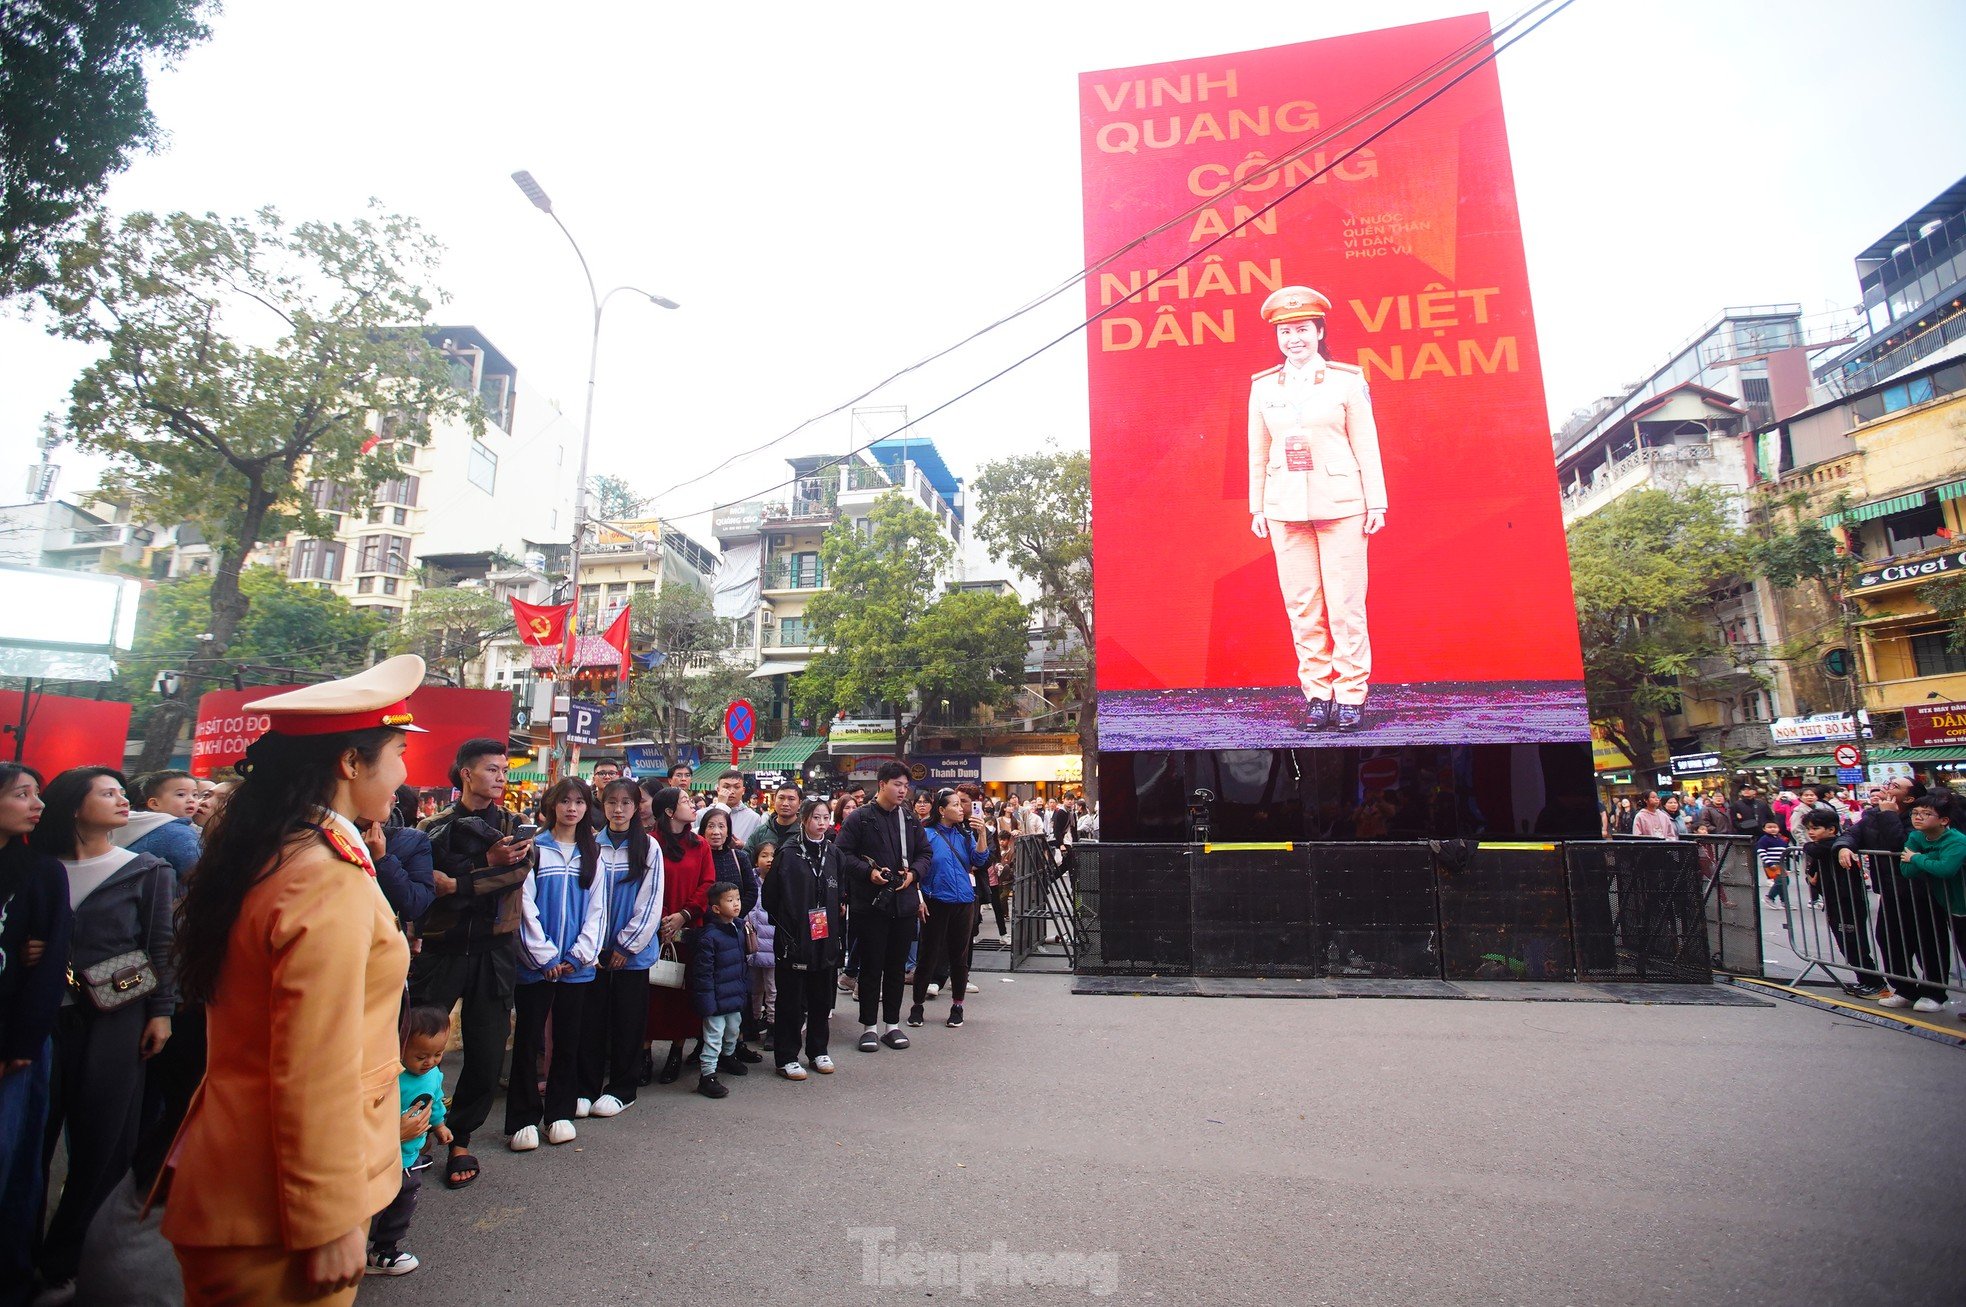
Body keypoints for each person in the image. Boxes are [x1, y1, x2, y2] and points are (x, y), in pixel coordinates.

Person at [161, 655, 425, 1305]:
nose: (404, 771)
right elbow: (312, 1060)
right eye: (395, 750)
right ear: (349, 762)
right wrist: (328, 1214)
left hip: (252, 1182)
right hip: (275, 1205)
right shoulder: (320, 871)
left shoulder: (282, 847)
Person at [35, 767, 175, 1299]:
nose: (123, 800)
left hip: (118, 1019)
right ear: (73, 805)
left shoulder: (146, 869)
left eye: (123, 792)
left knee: (103, 1145)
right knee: (33, 1142)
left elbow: (160, 947)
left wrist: (161, 1013)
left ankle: (70, 1256)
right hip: (39, 1022)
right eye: (107, 792)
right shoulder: (35, 868)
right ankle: (20, 1252)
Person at [1246, 284, 1386, 733]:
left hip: (1342, 504)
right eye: (1285, 331)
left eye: (1302, 329)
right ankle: (1317, 693)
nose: (1294, 339)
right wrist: (1257, 507)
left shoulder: (1348, 379)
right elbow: (1257, 450)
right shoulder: (1264, 387)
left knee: (1345, 604)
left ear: (1319, 330)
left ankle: (1351, 693)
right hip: (1285, 505)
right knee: (1302, 604)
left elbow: (1367, 445)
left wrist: (1376, 501)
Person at [412, 739, 532, 1190]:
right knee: (419, 1046)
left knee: (484, 1053)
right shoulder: (431, 826)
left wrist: (457, 883)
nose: (501, 777)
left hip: (495, 952)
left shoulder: (515, 825)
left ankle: (460, 1138)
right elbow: (425, 875)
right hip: (441, 950)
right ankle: (413, 1130)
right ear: (465, 772)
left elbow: (514, 873)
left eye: (504, 769)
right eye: (491, 769)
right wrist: (483, 862)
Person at [0, 764, 70, 1306]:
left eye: (38, 794)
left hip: (16, 1045)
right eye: (22, 794)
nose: (36, 803)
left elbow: (51, 964)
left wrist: (22, 1045)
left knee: (15, 1163)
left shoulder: (41, 871)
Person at [507, 778, 605, 1150]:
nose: (572, 808)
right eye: (564, 801)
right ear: (551, 805)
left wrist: (579, 954)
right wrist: (544, 956)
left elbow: (598, 910)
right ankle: (522, 1117)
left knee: (569, 1039)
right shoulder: (535, 850)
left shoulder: (591, 853)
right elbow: (524, 906)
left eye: (579, 802)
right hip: (536, 964)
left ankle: (559, 1112)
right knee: (529, 1039)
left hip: (576, 965)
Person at [580, 779, 663, 1119]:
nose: (618, 809)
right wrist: (593, 944)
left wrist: (626, 945)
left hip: (632, 953)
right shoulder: (591, 845)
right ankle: (585, 1087)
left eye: (626, 803)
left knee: (629, 1021)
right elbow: (585, 898)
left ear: (637, 807)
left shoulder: (649, 848)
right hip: (594, 952)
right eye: (611, 802)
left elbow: (650, 902)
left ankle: (622, 1088)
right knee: (592, 1021)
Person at [836, 762, 929, 1052]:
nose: (903, 790)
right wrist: (868, 872)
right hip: (870, 906)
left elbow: (925, 853)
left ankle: (892, 1025)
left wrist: (913, 873)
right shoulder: (860, 818)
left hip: (903, 906)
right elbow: (841, 853)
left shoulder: (909, 819)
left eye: (905, 785)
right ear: (881, 784)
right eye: (897, 784)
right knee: (871, 967)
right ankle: (868, 1028)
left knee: (896, 968)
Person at [1834, 778, 1945, 1010]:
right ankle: (1904, 989)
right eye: (1888, 783)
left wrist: (1889, 815)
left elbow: (1901, 844)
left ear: (1910, 798)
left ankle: (1934, 993)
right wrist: (1844, 846)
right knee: (1888, 939)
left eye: (1895, 786)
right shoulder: (1874, 815)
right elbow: (1851, 834)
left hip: (1921, 890)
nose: (1887, 787)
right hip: (1889, 890)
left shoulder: (1920, 817)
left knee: (1927, 943)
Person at [366, 1006, 452, 1277]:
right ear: (401, 1047)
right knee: (372, 1208)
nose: (430, 1062)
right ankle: (353, 1248)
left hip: (411, 1156)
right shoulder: (393, 1077)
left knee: (403, 1205)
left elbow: (435, 1100)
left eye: (438, 1055)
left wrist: (439, 1125)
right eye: (421, 1056)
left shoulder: (433, 1074)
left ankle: (384, 1250)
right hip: (383, 1159)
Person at [763, 798, 844, 1080]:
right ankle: (786, 1057)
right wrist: (789, 926)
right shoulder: (788, 853)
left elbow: (840, 892)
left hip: (825, 936)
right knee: (792, 999)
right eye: (816, 817)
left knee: (822, 997)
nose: (822, 823)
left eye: (826, 817)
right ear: (804, 819)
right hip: (794, 938)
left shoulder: (834, 853)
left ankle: (818, 1050)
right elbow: (770, 898)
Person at [646, 786, 716, 1084]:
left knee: (683, 993)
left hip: (690, 929)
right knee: (651, 994)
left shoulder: (699, 844)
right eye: (685, 801)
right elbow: (644, 882)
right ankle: (644, 1053)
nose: (692, 805)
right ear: (669, 812)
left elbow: (708, 883)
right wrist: (663, 919)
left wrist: (684, 915)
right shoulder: (649, 842)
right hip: (653, 928)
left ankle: (677, 1051)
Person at [908, 789, 989, 1031]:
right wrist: (919, 898)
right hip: (935, 901)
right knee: (928, 955)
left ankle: (957, 1006)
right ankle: (917, 1005)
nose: (961, 809)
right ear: (941, 810)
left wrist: (982, 832)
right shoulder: (927, 835)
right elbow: (916, 869)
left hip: (964, 901)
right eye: (954, 805)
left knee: (959, 957)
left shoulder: (965, 835)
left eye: (961, 804)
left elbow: (981, 860)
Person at [697, 807, 764, 1067]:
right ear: (703, 830)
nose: (716, 832)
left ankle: (735, 1045)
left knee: (736, 987)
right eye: (711, 826)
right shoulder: (699, 856)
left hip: (734, 932)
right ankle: (706, 1046)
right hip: (706, 932)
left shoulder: (739, 857)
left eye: (722, 826)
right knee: (709, 988)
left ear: (729, 830)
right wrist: (712, 919)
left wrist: (733, 917)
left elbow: (749, 891)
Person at [1801, 808, 1883, 996]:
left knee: (1855, 945)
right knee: (1846, 945)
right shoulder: (1822, 846)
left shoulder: (1834, 845)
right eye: (1809, 829)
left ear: (1831, 829)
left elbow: (1815, 849)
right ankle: (1865, 981)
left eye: (1816, 828)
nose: (1811, 832)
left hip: (1849, 902)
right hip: (1833, 901)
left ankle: (1876, 984)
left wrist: (1807, 847)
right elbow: (1813, 875)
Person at [1898, 792, 1965, 1016]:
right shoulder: (1917, 838)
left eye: (1926, 814)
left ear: (1944, 820)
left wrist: (1918, 859)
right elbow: (1905, 871)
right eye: (1915, 813)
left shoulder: (1957, 840)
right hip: (1951, 905)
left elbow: (1946, 869)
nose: (1918, 817)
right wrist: (1927, 862)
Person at [687, 881, 750, 1098]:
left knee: (733, 1029)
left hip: (734, 995)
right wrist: (707, 1004)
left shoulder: (739, 928)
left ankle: (728, 1056)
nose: (736, 904)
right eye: (730, 900)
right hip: (714, 999)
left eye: (738, 899)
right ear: (715, 908)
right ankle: (707, 1075)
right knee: (713, 1036)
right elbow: (703, 974)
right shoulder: (710, 937)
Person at [115, 770, 203, 886]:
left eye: (195, 794)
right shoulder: (178, 833)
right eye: (181, 794)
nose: (191, 799)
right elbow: (198, 873)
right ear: (154, 804)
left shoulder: (133, 825)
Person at [370, 784, 436, 931]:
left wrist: (382, 859)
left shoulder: (413, 840)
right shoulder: (332, 831)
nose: (393, 796)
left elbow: (415, 906)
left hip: (387, 942)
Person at [746, 843, 777, 1050]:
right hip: (754, 944)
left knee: (773, 988)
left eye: (773, 855)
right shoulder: (750, 880)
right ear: (756, 859)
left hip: (773, 945)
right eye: (764, 855)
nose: (769, 859)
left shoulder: (781, 880)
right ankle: (754, 1021)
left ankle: (773, 1024)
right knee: (754, 988)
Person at [747, 781, 803, 859]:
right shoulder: (761, 832)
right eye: (781, 798)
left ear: (800, 803)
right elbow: (746, 859)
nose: (785, 803)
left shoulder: (805, 833)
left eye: (791, 799)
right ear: (774, 801)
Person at [711, 768, 764, 846]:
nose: (731, 791)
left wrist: (744, 845)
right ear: (718, 790)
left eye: (736, 787)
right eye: (726, 787)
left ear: (743, 791)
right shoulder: (703, 814)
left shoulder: (754, 818)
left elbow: (760, 846)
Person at [1755, 820, 1790, 910]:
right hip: (1772, 863)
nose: (1773, 829)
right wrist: (1769, 862)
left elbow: (1787, 850)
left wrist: (1800, 852)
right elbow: (1761, 851)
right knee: (1781, 881)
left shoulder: (1780, 839)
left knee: (1784, 881)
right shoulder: (1764, 839)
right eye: (1769, 827)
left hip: (1781, 863)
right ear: (1764, 829)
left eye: (1775, 827)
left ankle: (1784, 901)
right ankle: (1769, 897)